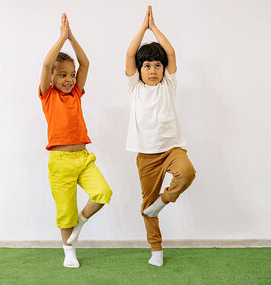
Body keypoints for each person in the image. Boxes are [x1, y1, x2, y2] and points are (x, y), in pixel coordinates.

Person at [39, 13, 112, 268]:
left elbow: (85, 62)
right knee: (65, 211)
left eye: (71, 75)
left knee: (103, 192)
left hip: (83, 158)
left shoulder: (76, 94)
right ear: (51, 79)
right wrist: (61, 39)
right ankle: (69, 250)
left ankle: (80, 223)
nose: (69, 79)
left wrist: (71, 37)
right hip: (60, 161)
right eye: (63, 75)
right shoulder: (47, 95)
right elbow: (47, 64)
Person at [125, 6, 196, 267]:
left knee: (187, 173)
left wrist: (155, 28)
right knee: (147, 205)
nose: (153, 70)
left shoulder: (168, 85)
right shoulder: (135, 88)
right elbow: (131, 53)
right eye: (147, 66)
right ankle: (156, 250)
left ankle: (164, 200)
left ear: (164, 70)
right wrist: (142, 28)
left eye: (157, 66)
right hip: (146, 155)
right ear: (139, 70)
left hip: (171, 149)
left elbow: (172, 53)